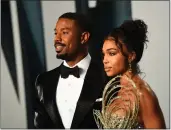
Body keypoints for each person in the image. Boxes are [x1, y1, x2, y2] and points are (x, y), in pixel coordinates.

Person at [33, 12, 105, 129]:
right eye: (56, 33)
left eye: (64, 33)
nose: (57, 38)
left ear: (83, 37)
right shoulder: (43, 82)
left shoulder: (106, 76)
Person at [95, 19, 166, 128]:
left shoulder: (143, 94)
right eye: (104, 54)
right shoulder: (114, 89)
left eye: (112, 53)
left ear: (131, 56)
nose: (105, 60)